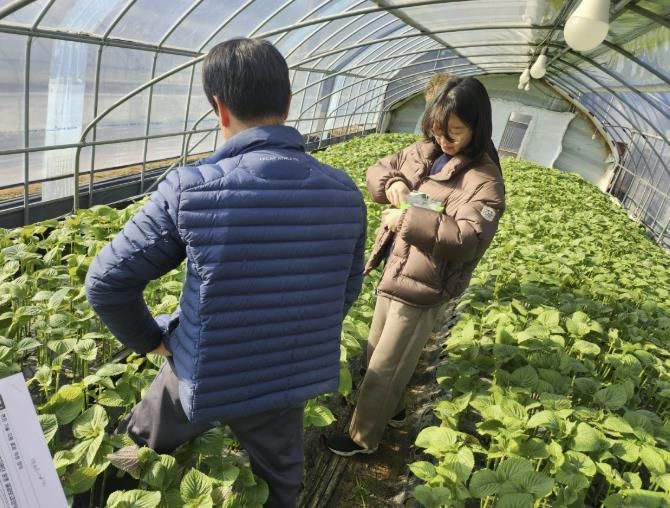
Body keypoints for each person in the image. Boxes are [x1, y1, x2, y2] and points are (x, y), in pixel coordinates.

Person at [85, 38, 367, 507]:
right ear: (288, 104)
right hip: (284, 376)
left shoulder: (191, 188)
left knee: (136, 448)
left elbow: (107, 281)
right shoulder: (343, 191)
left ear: (218, 108)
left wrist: (152, 340)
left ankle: (100, 498)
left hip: (201, 372)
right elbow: (347, 287)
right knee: (281, 480)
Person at [326, 76, 505, 456]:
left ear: (477, 126)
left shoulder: (484, 181)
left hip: (426, 284)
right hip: (395, 268)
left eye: (455, 132)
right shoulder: (424, 151)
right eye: (438, 129)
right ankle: (393, 410)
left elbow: (468, 239)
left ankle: (362, 439)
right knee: (376, 353)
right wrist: (392, 183)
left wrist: (406, 217)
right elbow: (379, 168)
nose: (444, 139)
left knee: (387, 366)